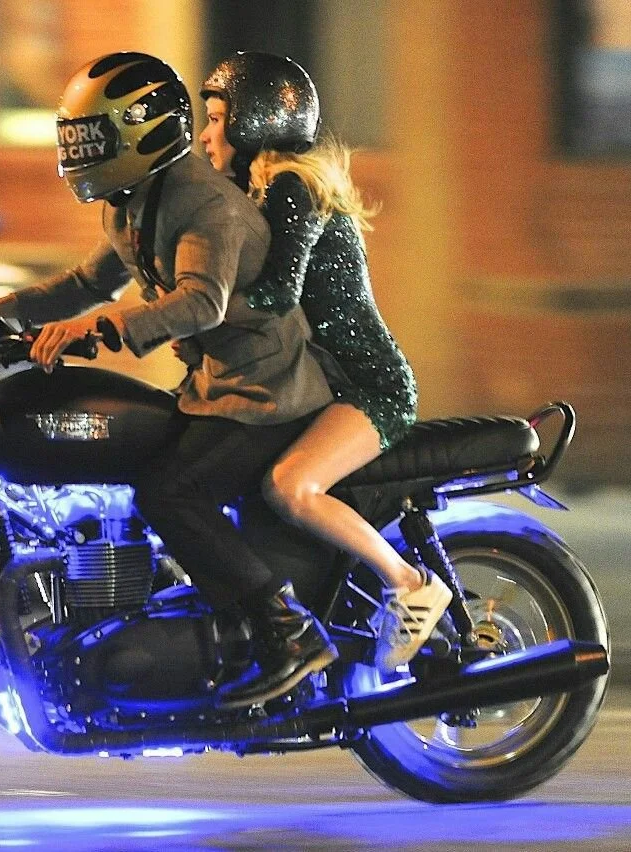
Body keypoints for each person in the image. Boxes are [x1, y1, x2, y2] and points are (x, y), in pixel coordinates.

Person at [0, 51, 338, 708]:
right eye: (76, 140)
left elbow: (201, 302)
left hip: (265, 394)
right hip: (214, 390)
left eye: (93, 140)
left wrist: (101, 329)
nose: (81, 154)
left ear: (141, 134)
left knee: (171, 491)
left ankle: (285, 629)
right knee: (144, 463)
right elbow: (87, 283)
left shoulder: (205, 204)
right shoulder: (131, 203)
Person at [199, 52, 452, 672]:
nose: (205, 135)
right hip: (327, 387)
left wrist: (183, 314)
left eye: (216, 119)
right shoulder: (260, 190)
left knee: (292, 486)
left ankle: (409, 582)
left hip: (370, 389)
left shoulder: (292, 187)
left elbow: (276, 293)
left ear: (254, 122)